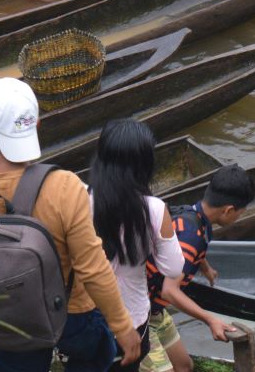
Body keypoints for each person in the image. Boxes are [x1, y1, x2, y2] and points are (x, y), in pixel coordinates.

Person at [0, 77, 141, 372]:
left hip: (2, 324)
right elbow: (93, 268)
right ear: (36, 126)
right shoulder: (64, 187)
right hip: (71, 319)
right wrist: (122, 325)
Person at [88, 120, 185, 372]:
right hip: (132, 319)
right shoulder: (154, 209)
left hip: (86, 317)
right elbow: (173, 268)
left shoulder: (80, 199)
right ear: (145, 163)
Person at [140, 164, 255, 372]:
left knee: (184, 366)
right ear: (228, 210)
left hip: (155, 310)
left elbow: (189, 250)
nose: (238, 217)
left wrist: (206, 267)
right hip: (139, 314)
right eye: (240, 213)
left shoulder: (192, 215)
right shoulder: (191, 236)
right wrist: (210, 319)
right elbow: (170, 290)